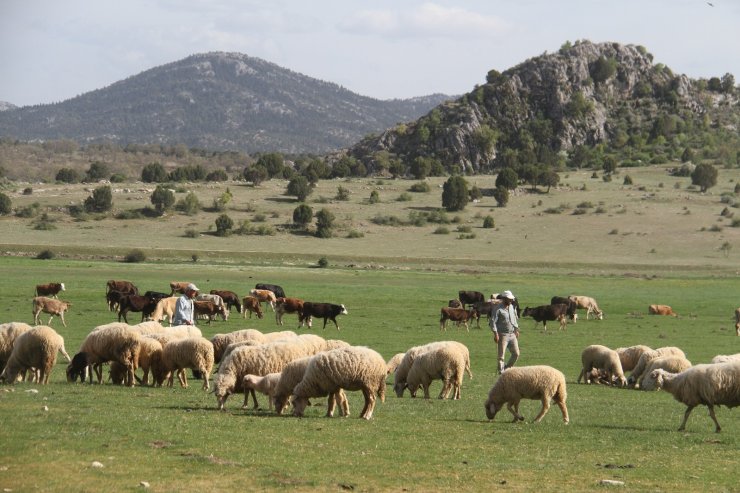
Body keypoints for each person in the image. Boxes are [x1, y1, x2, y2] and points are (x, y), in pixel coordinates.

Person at [489, 290, 520, 374]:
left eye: (511, 299)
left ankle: (507, 368)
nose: (511, 300)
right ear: (504, 298)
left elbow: (514, 319)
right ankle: (501, 372)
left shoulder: (511, 307)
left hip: (512, 334)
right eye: (509, 299)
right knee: (501, 356)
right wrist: (495, 334)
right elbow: (492, 322)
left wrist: (516, 329)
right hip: (502, 335)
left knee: (516, 353)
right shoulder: (497, 309)